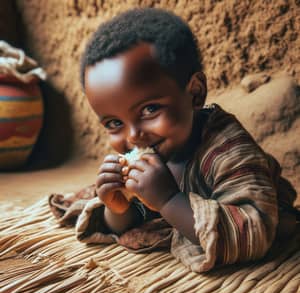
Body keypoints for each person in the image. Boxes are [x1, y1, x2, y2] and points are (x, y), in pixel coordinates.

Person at [50, 7, 298, 273]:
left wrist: (168, 200)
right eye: (114, 123)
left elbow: (255, 233)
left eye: (149, 109)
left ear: (195, 93)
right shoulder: (153, 150)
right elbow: (136, 218)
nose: (133, 136)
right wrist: (117, 208)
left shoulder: (229, 152)